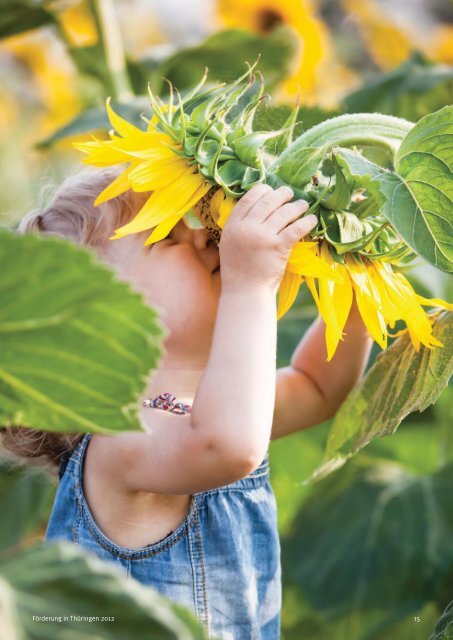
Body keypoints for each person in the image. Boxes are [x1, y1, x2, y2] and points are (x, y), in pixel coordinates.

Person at [3, 167, 373, 639]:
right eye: (165, 236)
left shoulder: (202, 406)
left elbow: (316, 387)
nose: (204, 239)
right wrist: (250, 284)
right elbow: (229, 446)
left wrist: (357, 292)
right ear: (99, 318)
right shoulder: (120, 444)